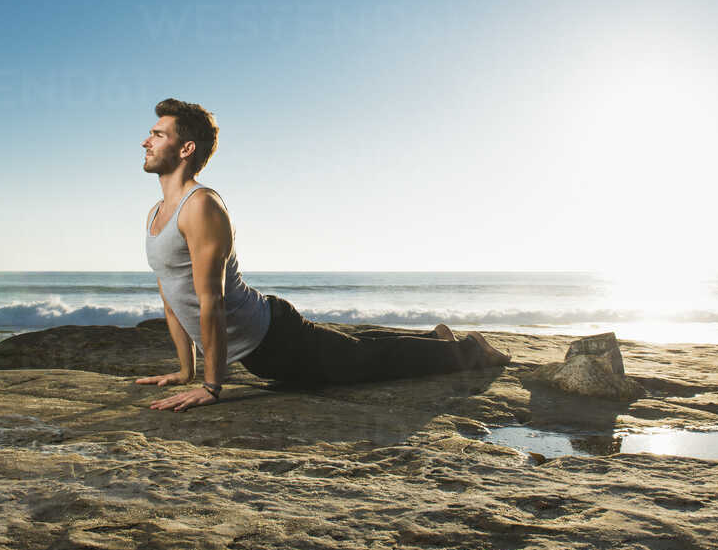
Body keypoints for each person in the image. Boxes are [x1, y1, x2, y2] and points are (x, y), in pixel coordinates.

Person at [137, 98, 510, 412]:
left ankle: (471, 350)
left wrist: (212, 386)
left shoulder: (201, 207)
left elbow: (210, 303)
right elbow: (171, 297)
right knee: (356, 351)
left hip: (275, 339)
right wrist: (186, 370)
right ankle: (435, 337)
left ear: (186, 149)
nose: (145, 142)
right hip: (263, 344)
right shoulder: (157, 214)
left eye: (157, 134)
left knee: (366, 363)